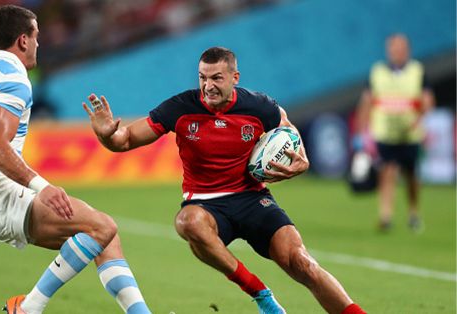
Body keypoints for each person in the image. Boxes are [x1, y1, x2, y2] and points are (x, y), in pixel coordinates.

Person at [83, 47, 366, 314]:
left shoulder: (259, 107)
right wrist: (107, 135)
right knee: (187, 223)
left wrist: (301, 158)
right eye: (202, 78)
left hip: (253, 199)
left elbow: (288, 129)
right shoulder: (180, 107)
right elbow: (126, 140)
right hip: (206, 205)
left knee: (302, 263)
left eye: (217, 78)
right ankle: (260, 293)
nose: (208, 86)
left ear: (234, 77)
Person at [0, 5, 151, 314]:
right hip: (0, 194)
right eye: (36, 36)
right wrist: (41, 187)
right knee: (101, 227)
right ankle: (28, 308)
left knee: (105, 236)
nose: (39, 43)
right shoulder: (13, 78)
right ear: (23, 40)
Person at [354, 33, 435, 232]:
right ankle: (386, 215)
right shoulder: (378, 72)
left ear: (407, 50)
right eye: (393, 48)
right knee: (387, 172)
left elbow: (427, 99)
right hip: (385, 133)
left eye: (400, 48)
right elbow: (367, 101)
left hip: (410, 134)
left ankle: (414, 212)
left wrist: (422, 117)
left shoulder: (417, 71)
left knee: (411, 176)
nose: (397, 52)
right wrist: (360, 131)